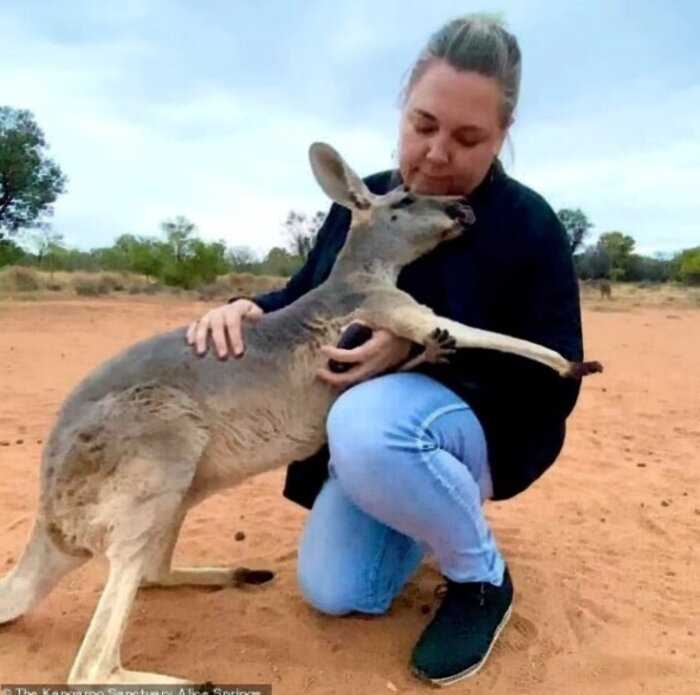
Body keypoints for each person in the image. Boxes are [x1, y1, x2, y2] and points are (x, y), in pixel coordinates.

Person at [186, 15, 584, 687]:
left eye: (467, 138)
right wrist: (246, 306)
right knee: (337, 589)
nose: (435, 154)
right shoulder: (362, 204)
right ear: (403, 107)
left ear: (503, 136)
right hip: (371, 441)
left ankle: (481, 574)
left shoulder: (530, 227)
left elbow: (554, 377)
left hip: (473, 430)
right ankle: (416, 496)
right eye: (423, 124)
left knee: (365, 424)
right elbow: (311, 292)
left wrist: (422, 349)